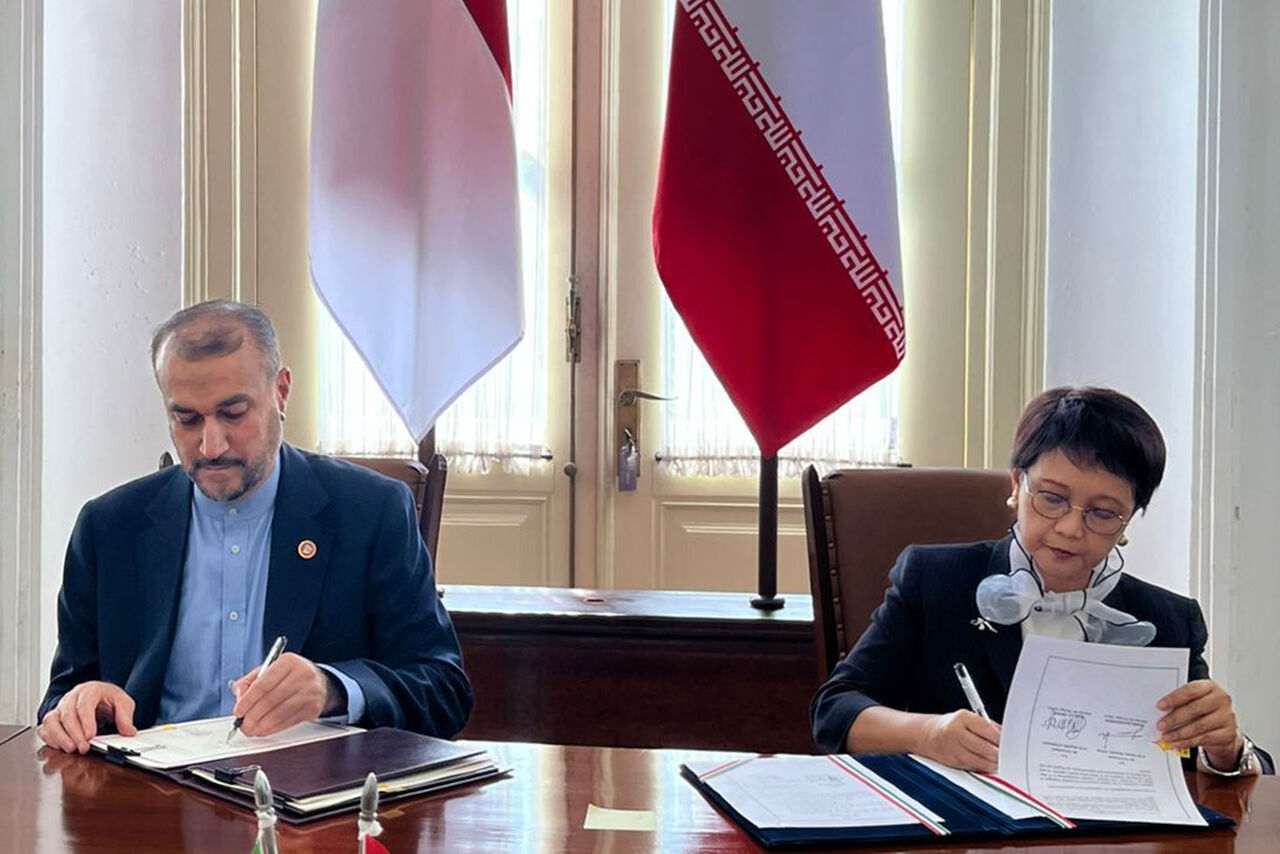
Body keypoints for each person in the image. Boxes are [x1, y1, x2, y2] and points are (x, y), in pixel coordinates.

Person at [37, 300, 472, 753]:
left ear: (281, 392)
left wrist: (334, 689)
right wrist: (82, 706)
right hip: (148, 787)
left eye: (233, 413)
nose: (211, 446)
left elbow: (443, 690)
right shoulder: (108, 527)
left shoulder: (371, 512)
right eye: (187, 419)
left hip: (307, 786)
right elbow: (59, 701)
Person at [810, 386, 1271, 776]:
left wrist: (1225, 750)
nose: (1070, 529)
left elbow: (1237, 766)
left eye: (1103, 513)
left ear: (1128, 520)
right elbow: (834, 710)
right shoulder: (936, 581)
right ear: (1017, 485)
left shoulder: (1165, 621)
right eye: (1052, 498)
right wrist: (927, 733)